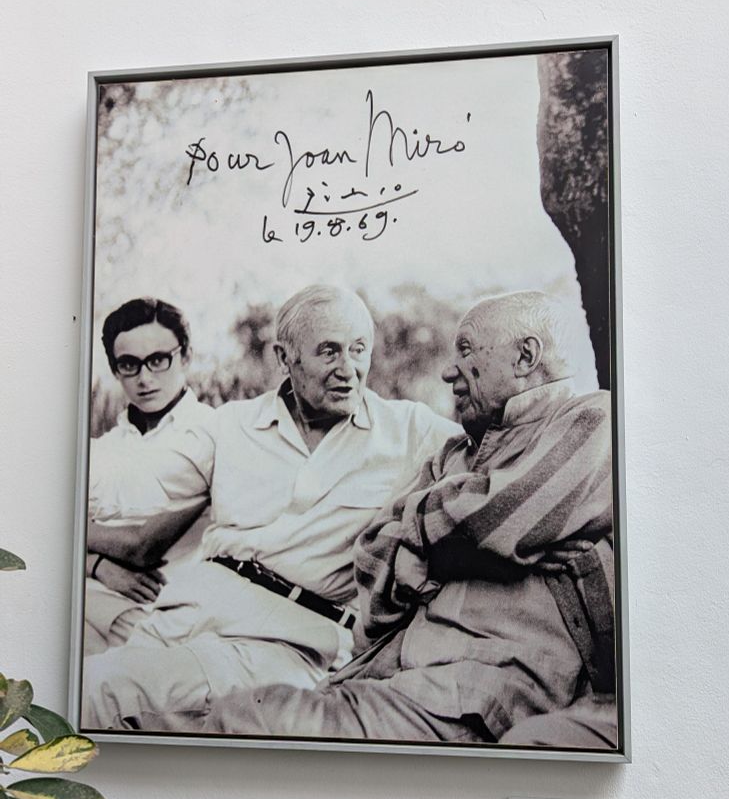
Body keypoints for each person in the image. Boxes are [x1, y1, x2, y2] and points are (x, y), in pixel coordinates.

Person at [199, 290, 617, 748]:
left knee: (244, 721)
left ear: (526, 356)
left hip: (472, 694)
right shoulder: (454, 453)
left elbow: (497, 520)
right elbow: (374, 559)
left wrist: (424, 537)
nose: (449, 371)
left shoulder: (593, 420)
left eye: (466, 351)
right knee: (223, 718)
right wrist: (462, 544)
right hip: (387, 677)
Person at [82, 285, 459, 731]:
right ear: (284, 357)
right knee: (90, 695)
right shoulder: (231, 425)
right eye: (329, 351)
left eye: (358, 349)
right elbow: (127, 494)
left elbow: (497, 446)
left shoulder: (409, 431)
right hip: (182, 614)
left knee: (97, 691)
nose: (348, 369)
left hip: (281, 639)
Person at [85, 298, 213, 655]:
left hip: (164, 617)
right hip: (91, 596)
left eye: (158, 360)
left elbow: (140, 547)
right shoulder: (100, 449)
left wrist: (73, 533)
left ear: (185, 356)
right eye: (129, 364)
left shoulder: (212, 435)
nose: (144, 378)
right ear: (115, 370)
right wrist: (96, 566)